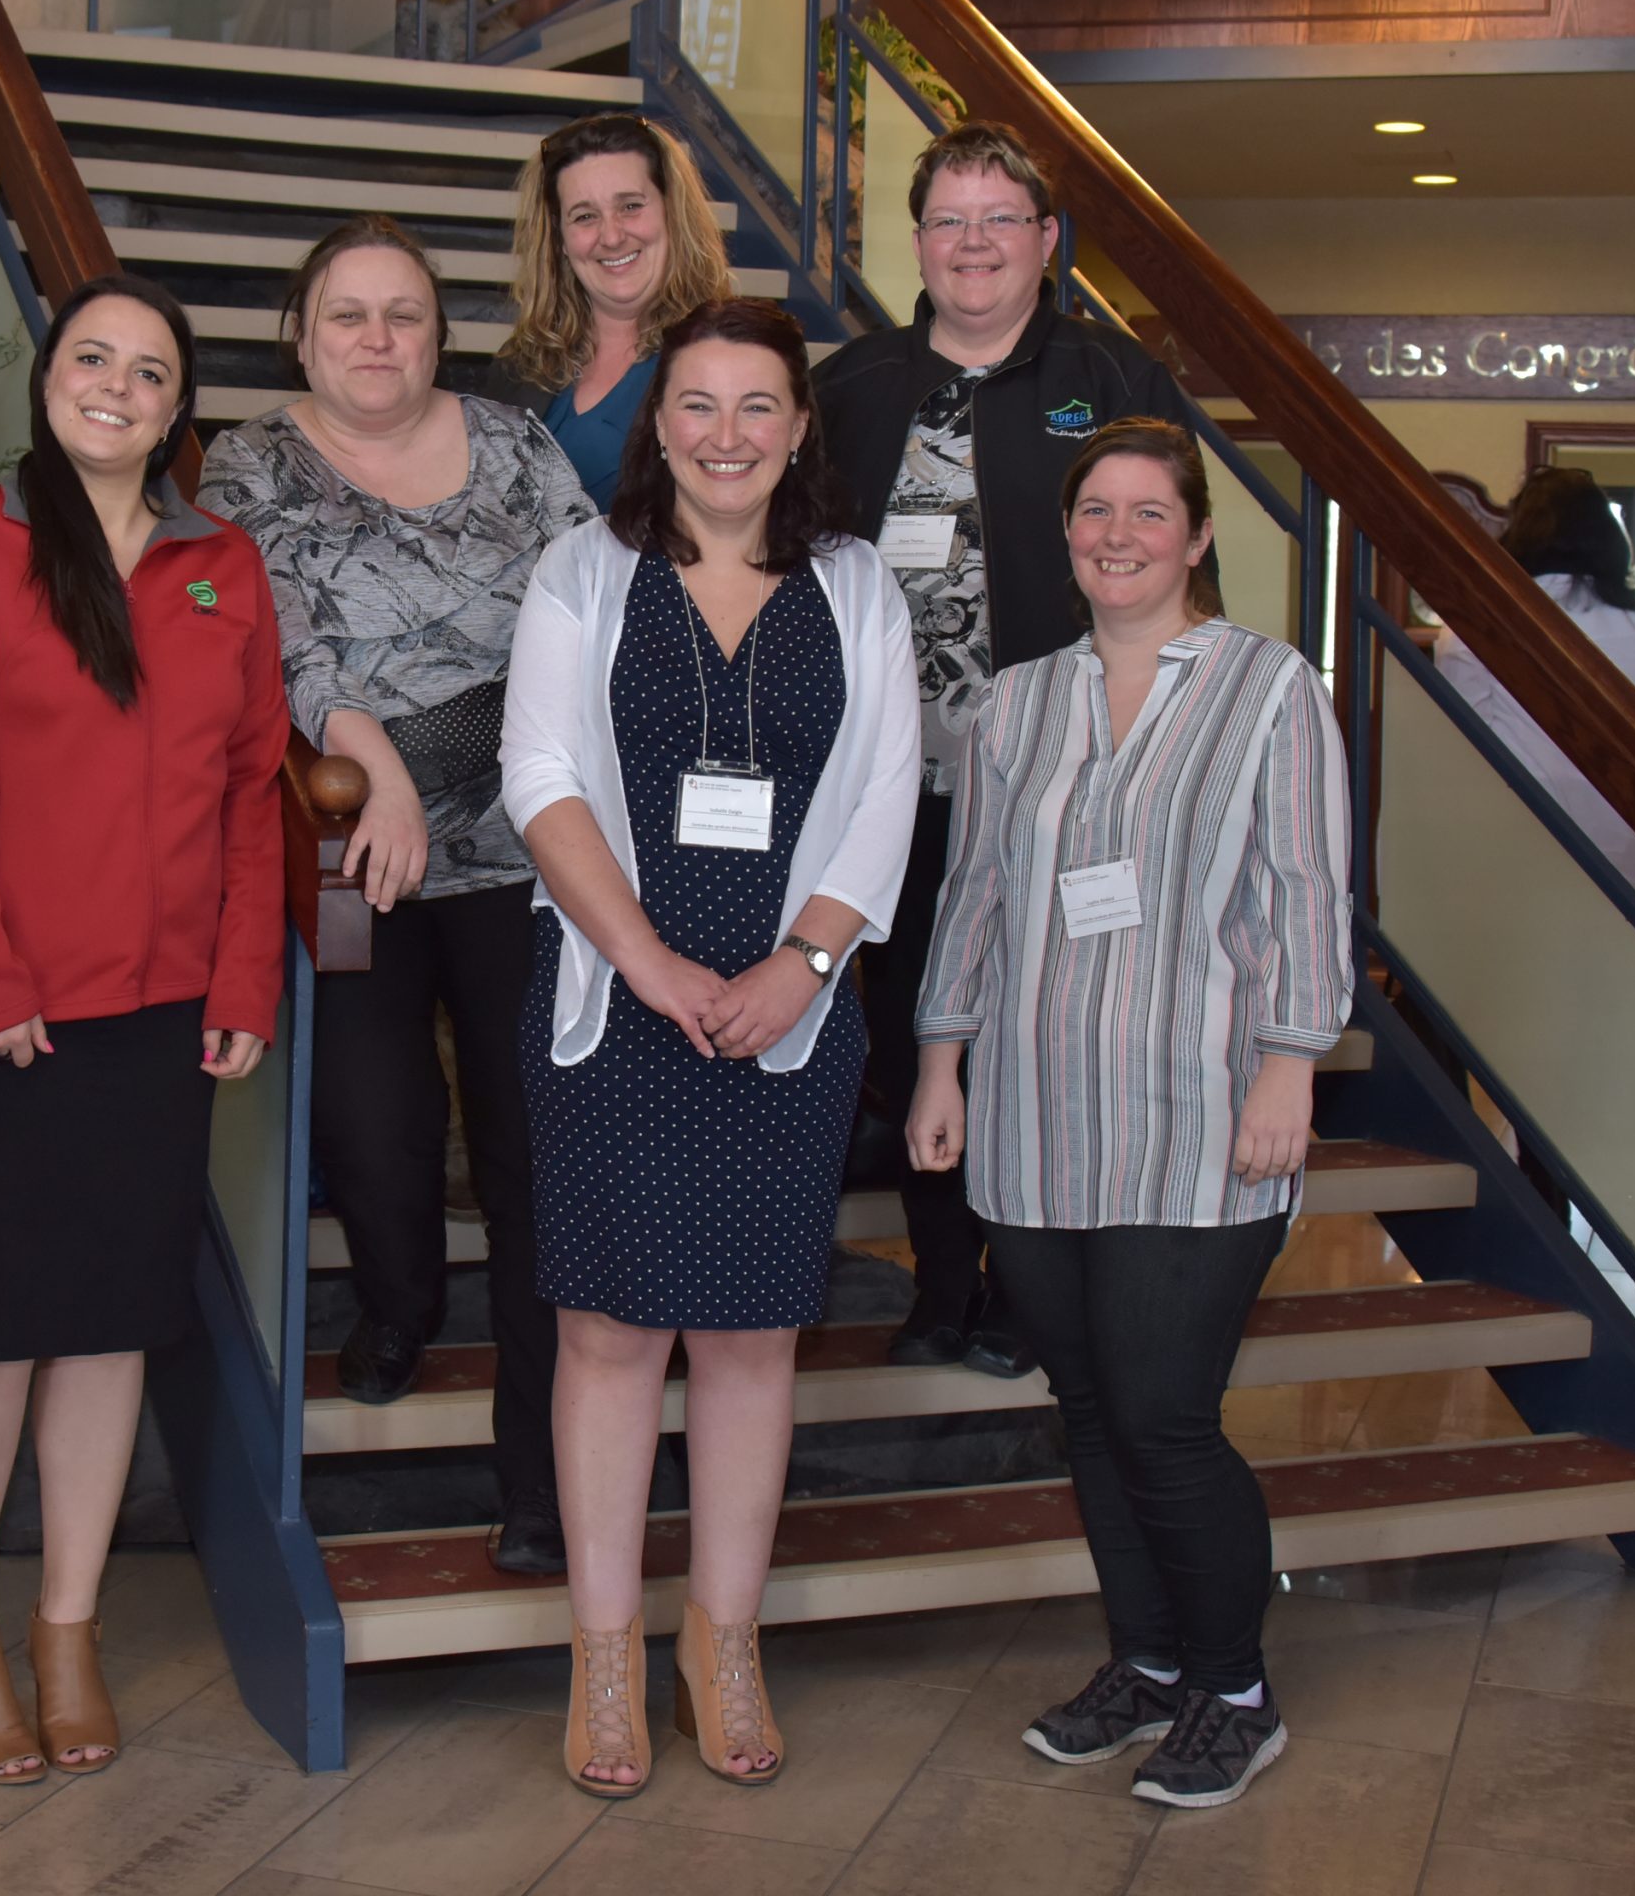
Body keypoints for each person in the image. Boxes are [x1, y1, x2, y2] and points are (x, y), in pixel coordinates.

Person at [503, 297, 921, 1797]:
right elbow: (539, 772)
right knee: (612, 1334)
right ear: (656, 421)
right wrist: (648, 957)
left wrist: (805, 964)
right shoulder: (585, 571)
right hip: (619, 1006)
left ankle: (722, 1642)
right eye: (698, 404)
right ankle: (605, 1656)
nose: (727, 435)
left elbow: (887, 786)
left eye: (758, 407)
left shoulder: (861, 588)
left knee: (751, 1339)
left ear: (800, 427)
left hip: (791, 1017)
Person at [909, 417, 1351, 1813]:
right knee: (1091, 1414)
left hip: (1199, 1113)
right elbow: (973, 892)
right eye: (1095, 509)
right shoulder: (1014, 704)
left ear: (1197, 534)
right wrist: (939, 1061)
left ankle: (1235, 1690)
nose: (1117, 534)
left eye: (1148, 512)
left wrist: (1292, 1061)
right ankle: (1149, 1667)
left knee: (1164, 1415)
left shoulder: (1270, 690)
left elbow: (1307, 889)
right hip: (1037, 1118)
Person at [0, 273, 287, 1781]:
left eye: (150, 370)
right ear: (48, 378)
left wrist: (245, 978)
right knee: (0, 1329)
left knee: (116, 1326)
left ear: (178, 404)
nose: (118, 387)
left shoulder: (223, 566)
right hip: (12, 1012)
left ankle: (65, 1626)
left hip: (164, 1010)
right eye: (92, 359)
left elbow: (254, 789)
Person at [197, 213, 599, 1578]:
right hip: (344, 843)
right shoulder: (251, 460)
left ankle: (539, 1483)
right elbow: (279, 628)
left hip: (532, 850)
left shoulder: (515, 445)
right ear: (303, 335)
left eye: (406, 314)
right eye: (350, 315)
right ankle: (397, 1306)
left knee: (535, 1155)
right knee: (370, 1123)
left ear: (441, 331)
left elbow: (589, 604)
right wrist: (371, 751)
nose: (379, 339)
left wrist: (490, 765)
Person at [814, 118, 1197, 1379]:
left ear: (1045, 241)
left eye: (998, 221)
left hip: (1061, 783)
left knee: (1034, 1029)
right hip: (887, 784)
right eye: (947, 222)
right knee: (918, 1015)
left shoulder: (1116, 377)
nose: (971, 245)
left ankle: (1030, 1288)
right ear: (916, 243)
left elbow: (1177, 570)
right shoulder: (854, 389)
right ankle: (940, 1282)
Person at [1434, 465, 1635, 903]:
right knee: (1618, 966)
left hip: (1522, 846)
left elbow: (1461, 745)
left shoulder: (1482, 620)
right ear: (1608, 536)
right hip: (1630, 850)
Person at [484, 112, 737, 511]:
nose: (613, 236)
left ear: (672, 213)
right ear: (560, 238)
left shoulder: (730, 353)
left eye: (631, 206)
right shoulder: (520, 363)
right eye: (585, 216)